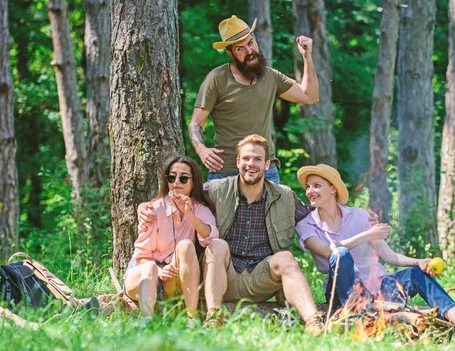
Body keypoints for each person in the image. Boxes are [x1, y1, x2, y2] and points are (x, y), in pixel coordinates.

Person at [139, 135, 327, 335]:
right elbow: (183, 192)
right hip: (223, 275)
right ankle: (213, 317)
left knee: (286, 258)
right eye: (245, 158)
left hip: (262, 278)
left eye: (257, 159)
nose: (250, 164)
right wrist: (144, 206)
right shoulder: (216, 189)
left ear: (267, 164)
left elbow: (316, 218)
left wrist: (353, 215)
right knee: (217, 245)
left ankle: (313, 321)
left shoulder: (285, 196)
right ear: (238, 162)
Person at [295, 163, 455, 329]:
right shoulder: (306, 225)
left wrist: (419, 262)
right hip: (343, 293)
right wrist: (367, 235)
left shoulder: (360, 215)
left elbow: (389, 255)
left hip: (379, 287)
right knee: (340, 253)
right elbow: (327, 251)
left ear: (333, 189)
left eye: (316, 185)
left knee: (417, 275)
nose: (310, 191)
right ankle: (360, 315)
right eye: (308, 187)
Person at [189, 15, 319, 184]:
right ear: (230, 53)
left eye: (250, 43)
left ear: (256, 41)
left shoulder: (271, 76)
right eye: (240, 48)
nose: (249, 51)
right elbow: (195, 124)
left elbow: (310, 96)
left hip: (265, 171)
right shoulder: (216, 79)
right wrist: (201, 149)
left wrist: (307, 58)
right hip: (226, 172)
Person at [124, 156, 218, 327]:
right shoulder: (153, 209)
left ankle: (191, 320)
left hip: (173, 277)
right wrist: (159, 271)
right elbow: (142, 256)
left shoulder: (199, 209)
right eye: (171, 177)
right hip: (144, 272)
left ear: (193, 182)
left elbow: (211, 239)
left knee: (186, 245)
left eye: (183, 178)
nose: (177, 182)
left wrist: (189, 213)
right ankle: (146, 323)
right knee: (151, 267)